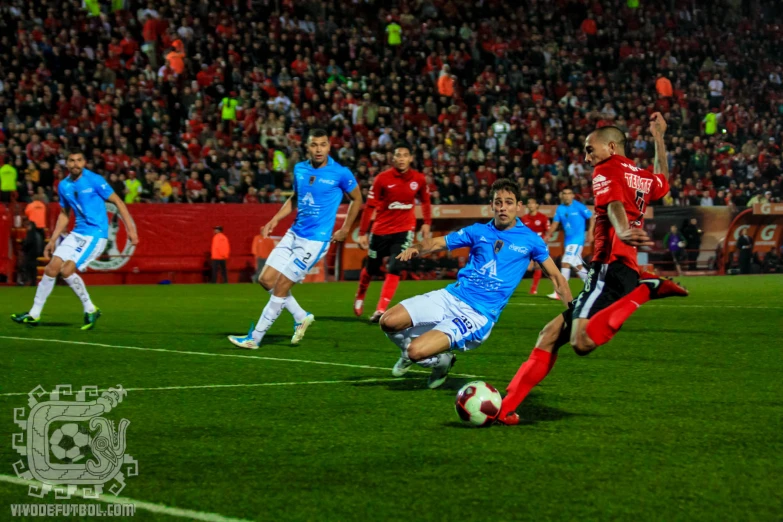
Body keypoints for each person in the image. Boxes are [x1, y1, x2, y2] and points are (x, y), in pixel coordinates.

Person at [497, 114, 688, 426]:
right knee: (548, 335)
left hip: (609, 267)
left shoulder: (606, 168)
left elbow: (612, 205)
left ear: (611, 147)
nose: (586, 157)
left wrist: (623, 230)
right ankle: (505, 409)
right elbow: (663, 181)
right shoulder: (639, 175)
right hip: (620, 268)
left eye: (589, 149)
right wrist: (659, 139)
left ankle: (646, 291)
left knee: (581, 342)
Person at [379, 179, 572, 389]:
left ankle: (440, 362)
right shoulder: (478, 231)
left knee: (416, 351)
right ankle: (424, 356)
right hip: (451, 296)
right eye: (498, 202)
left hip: (477, 314)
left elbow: (556, 277)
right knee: (387, 321)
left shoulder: (531, 241)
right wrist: (416, 248)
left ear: (518, 206)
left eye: (509, 202)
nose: (503, 207)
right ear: (492, 205)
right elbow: (437, 242)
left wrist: (573, 312)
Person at [228, 128, 362, 348]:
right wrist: (274, 220)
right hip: (293, 234)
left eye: (322, 145)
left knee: (281, 286)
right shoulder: (300, 169)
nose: (318, 149)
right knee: (265, 280)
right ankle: (300, 316)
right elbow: (296, 198)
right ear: (307, 147)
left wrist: (346, 228)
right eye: (314, 145)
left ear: (329, 146)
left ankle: (255, 338)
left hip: (314, 241)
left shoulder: (341, 173)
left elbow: (357, 199)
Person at [11, 151, 138, 329]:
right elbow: (64, 214)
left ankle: (90, 308)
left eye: (79, 160)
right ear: (67, 164)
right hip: (77, 233)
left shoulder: (94, 180)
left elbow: (118, 202)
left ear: (84, 162)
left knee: (67, 270)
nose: (75, 164)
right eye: (72, 161)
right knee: (51, 268)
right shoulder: (64, 185)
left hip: (95, 234)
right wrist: (52, 239)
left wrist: (131, 230)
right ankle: (34, 314)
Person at [354, 142, 432, 322]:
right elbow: (370, 206)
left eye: (405, 155)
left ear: (411, 158)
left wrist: (426, 223)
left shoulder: (418, 179)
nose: (401, 158)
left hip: (404, 230)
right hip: (381, 230)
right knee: (372, 268)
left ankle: (381, 310)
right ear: (393, 158)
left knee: (396, 266)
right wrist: (362, 232)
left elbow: (426, 201)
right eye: (398, 155)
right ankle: (360, 294)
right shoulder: (382, 179)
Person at [545, 188, 595, 299]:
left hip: (578, 240)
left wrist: (590, 232)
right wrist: (548, 235)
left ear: (572, 195)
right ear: (562, 196)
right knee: (578, 266)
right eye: (564, 194)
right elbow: (555, 224)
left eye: (569, 193)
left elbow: (591, 217)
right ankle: (593, 286)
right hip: (568, 241)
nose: (567, 196)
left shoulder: (579, 206)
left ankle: (560, 292)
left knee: (565, 262)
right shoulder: (560, 209)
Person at [521, 198, 550, 294]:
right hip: (528, 245)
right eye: (528, 203)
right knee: (527, 267)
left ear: (537, 205)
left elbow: (548, 231)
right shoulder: (524, 218)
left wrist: (544, 241)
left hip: (540, 245)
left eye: (532, 203)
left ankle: (533, 288)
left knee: (538, 266)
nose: (530, 205)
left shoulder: (543, 217)